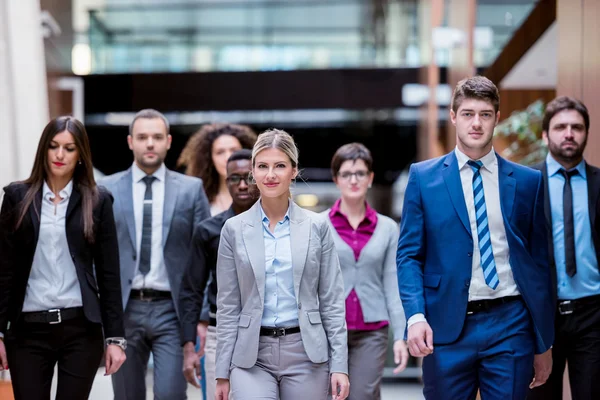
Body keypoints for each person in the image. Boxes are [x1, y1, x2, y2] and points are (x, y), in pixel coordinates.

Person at [396, 76, 554, 400]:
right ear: (453, 117)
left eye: (485, 114)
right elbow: (409, 255)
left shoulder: (527, 182)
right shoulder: (423, 178)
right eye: (468, 114)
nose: (476, 123)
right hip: (446, 326)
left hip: (510, 324)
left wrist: (544, 341)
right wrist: (415, 316)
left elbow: (539, 264)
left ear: (497, 118)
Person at [215, 129, 350, 400]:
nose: (270, 174)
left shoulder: (317, 227)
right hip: (251, 356)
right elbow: (228, 306)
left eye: (279, 166)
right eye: (263, 166)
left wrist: (340, 366)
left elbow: (332, 302)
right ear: (253, 171)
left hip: (306, 352)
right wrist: (221, 372)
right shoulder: (233, 229)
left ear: (294, 170)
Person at [0, 116, 126, 399]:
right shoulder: (16, 196)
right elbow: (4, 269)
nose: (60, 155)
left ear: (81, 154)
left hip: (80, 329)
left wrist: (116, 338)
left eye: (69, 148)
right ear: (43, 149)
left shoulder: (98, 199)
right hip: (27, 331)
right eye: (53, 146)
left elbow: (109, 274)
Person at [99, 109, 211, 400]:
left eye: (157, 137)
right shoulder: (106, 189)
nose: (150, 143)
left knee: (171, 394)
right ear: (130, 142)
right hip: (124, 311)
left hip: (171, 311)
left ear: (169, 141)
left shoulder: (190, 190)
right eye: (142, 137)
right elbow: (96, 254)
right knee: (126, 396)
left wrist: (201, 318)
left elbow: (205, 259)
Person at [324, 142, 408, 399]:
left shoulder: (387, 228)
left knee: (362, 394)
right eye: (346, 174)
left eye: (360, 173)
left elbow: (391, 284)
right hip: (328, 330)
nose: (353, 180)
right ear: (336, 179)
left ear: (370, 178)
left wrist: (400, 335)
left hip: (372, 330)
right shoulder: (318, 224)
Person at [529, 96, 600, 400]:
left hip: (593, 314)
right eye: (560, 127)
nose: (569, 133)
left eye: (577, 127)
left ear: (586, 133)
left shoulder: (599, 182)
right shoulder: (526, 183)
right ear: (545, 135)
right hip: (543, 316)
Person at [180, 149, 259, 399]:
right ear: (227, 182)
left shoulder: (276, 229)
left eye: (249, 177)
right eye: (235, 178)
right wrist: (189, 347)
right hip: (220, 332)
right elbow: (191, 290)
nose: (243, 185)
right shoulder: (209, 231)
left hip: (266, 332)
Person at [177, 123, 257, 216]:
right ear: (210, 158)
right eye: (220, 152)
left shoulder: (261, 197)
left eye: (234, 150)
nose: (228, 157)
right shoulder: (199, 198)